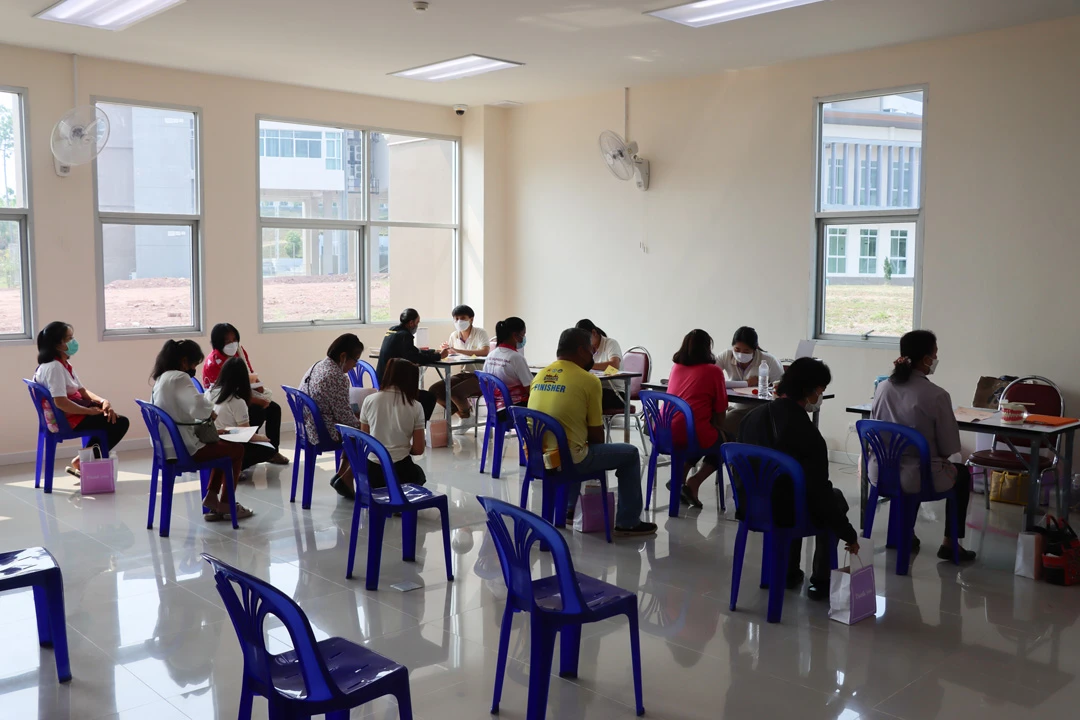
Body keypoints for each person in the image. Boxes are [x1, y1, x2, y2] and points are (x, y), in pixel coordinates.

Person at [739, 358, 858, 600]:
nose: (820, 396)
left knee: (788, 490)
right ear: (809, 390)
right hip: (785, 511)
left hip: (752, 505)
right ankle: (822, 580)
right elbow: (820, 492)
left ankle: (788, 572)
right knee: (832, 498)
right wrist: (848, 533)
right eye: (820, 390)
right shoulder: (808, 434)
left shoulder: (751, 418)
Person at [528, 328, 656, 536]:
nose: (592, 355)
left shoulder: (540, 375)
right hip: (568, 459)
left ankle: (570, 508)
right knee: (629, 454)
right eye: (590, 351)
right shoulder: (589, 381)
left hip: (538, 457)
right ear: (580, 350)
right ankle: (628, 522)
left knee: (572, 442)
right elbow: (597, 436)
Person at [870, 330, 975, 563]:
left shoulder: (883, 388)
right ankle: (950, 543)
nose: (935, 360)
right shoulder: (936, 395)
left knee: (914, 467)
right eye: (934, 354)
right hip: (916, 476)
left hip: (881, 473)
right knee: (961, 475)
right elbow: (949, 448)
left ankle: (904, 533)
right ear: (926, 359)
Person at [150, 339, 252, 521]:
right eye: (194, 364)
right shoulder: (179, 378)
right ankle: (227, 504)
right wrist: (210, 413)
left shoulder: (162, 378)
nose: (194, 369)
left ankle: (212, 500)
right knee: (237, 450)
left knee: (222, 446)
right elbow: (198, 407)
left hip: (167, 447)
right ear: (184, 361)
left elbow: (183, 412)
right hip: (184, 449)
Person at [33, 321, 130, 477]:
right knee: (119, 423)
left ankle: (83, 460)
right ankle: (84, 462)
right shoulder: (54, 368)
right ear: (58, 344)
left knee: (110, 418)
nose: (74, 341)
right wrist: (89, 412)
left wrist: (103, 401)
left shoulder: (63, 364)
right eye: (69, 338)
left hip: (73, 412)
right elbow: (61, 402)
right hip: (67, 419)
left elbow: (82, 391)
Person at [201, 322, 288, 465]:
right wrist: (258, 401)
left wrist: (259, 387)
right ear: (218, 342)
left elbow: (249, 375)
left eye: (234, 340)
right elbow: (226, 394)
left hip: (240, 396)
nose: (232, 344)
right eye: (227, 341)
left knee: (274, 409)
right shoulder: (214, 363)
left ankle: (273, 452)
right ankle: (243, 453)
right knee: (258, 412)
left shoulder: (239, 352)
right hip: (226, 402)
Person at [299, 333, 365, 500]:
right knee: (367, 432)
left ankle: (342, 475)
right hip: (323, 431)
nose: (354, 366)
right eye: (355, 360)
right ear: (343, 356)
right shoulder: (337, 377)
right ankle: (347, 478)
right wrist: (363, 420)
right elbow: (345, 419)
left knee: (358, 429)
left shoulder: (319, 365)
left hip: (307, 426)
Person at [667, 329, 728, 509]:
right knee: (725, 443)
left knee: (701, 432)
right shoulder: (714, 371)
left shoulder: (675, 368)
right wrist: (720, 430)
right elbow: (720, 409)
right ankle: (695, 482)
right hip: (690, 433)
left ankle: (679, 478)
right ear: (707, 348)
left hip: (664, 433)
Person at [359, 358, 428, 488]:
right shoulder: (415, 406)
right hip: (400, 472)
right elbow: (419, 449)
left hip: (372, 472)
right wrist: (403, 448)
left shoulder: (369, 400)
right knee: (418, 474)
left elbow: (365, 439)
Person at [210, 356, 281, 471]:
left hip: (213, 442)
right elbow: (246, 435)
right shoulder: (237, 401)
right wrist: (263, 438)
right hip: (229, 443)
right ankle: (236, 467)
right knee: (268, 450)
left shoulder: (210, 392)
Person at [376, 308, 447, 421]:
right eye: (417, 323)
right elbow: (414, 358)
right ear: (411, 323)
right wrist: (439, 356)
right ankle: (418, 429)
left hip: (382, 381)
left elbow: (412, 351)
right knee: (429, 398)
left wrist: (432, 351)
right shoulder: (405, 335)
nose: (417, 326)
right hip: (394, 386)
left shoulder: (393, 330)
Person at [716, 326, 784, 438]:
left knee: (723, 427)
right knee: (714, 422)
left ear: (755, 348)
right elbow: (709, 377)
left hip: (760, 410)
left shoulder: (769, 361)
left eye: (746, 351)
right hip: (738, 406)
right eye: (737, 350)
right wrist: (747, 383)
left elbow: (780, 388)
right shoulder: (726, 355)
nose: (741, 354)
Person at [431, 305, 489, 419]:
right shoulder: (454, 335)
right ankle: (465, 414)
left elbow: (485, 351)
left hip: (480, 376)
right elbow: (452, 354)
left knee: (455, 393)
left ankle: (465, 416)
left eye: (462, 318)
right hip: (464, 374)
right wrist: (445, 351)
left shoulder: (480, 333)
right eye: (456, 319)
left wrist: (457, 350)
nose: (459, 321)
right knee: (435, 391)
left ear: (471, 319)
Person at [482, 316, 533, 417]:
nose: (523, 338)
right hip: (513, 408)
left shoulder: (491, 354)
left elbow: (485, 381)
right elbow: (530, 388)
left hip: (495, 407)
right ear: (515, 335)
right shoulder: (516, 357)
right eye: (523, 335)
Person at [575, 319, 623, 410]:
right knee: (574, 394)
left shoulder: (610, 343)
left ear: (594, 333)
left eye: (585, 339)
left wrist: (589, 365)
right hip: (597, 389)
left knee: (583, 399)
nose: (584, 343)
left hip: (615, 392)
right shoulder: (587, 348)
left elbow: (614, 365)